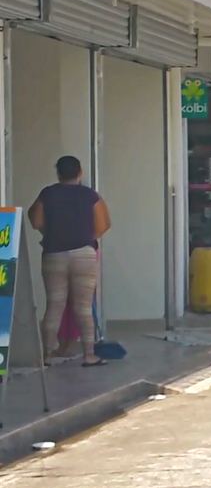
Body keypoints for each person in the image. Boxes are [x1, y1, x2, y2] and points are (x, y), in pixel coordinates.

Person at [28, 156, 111, 367]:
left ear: (58, 173)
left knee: (54, 306)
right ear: (80, 172)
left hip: (54, 254)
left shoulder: (48, 194)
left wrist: (50, 231)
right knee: (83, 307)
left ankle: (46, 355)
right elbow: (103, 225)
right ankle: (89, 355)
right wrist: (86, 238)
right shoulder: (90, 195)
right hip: (84, 253)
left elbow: (35, 220)